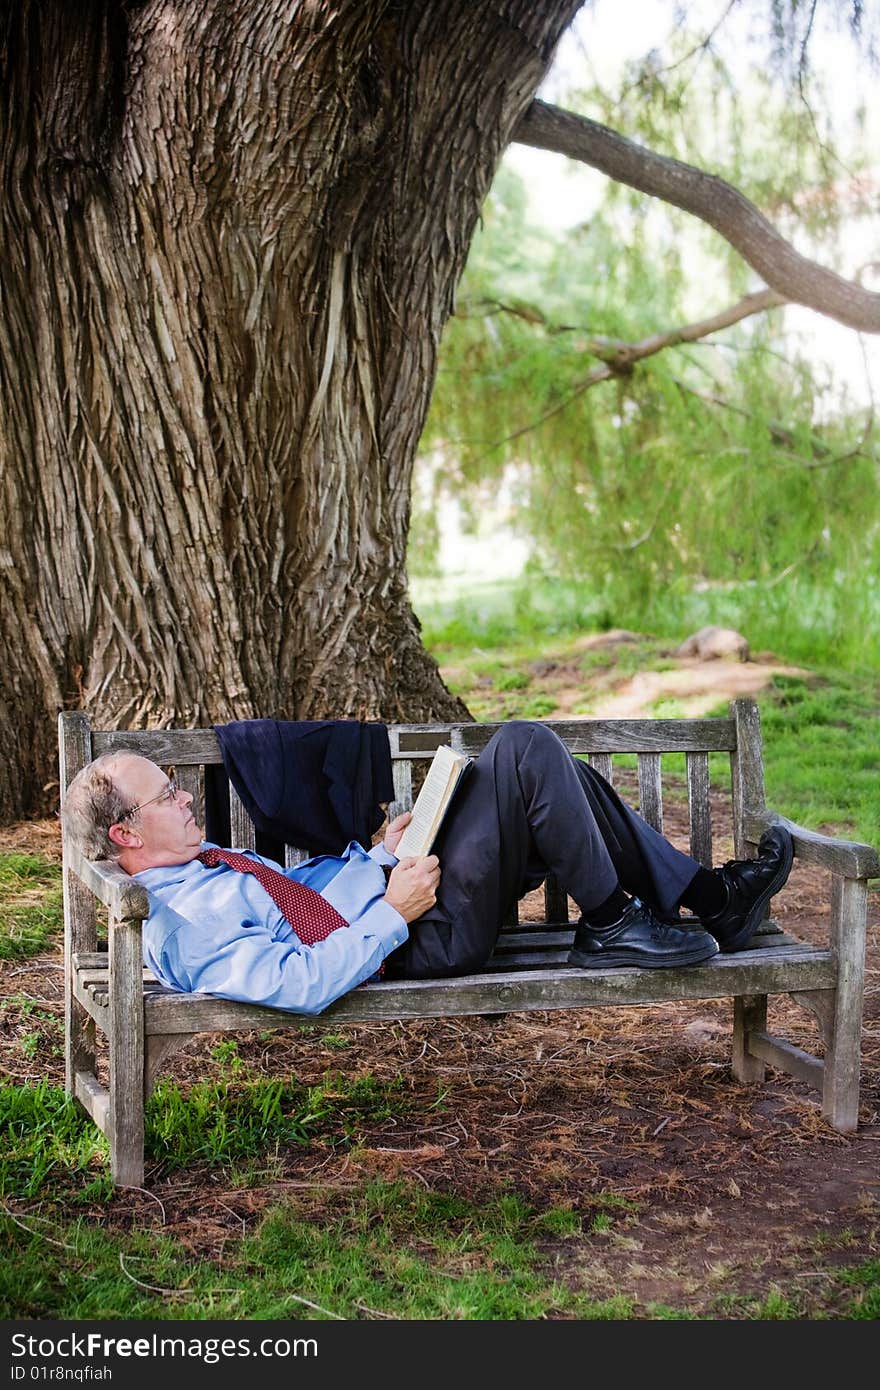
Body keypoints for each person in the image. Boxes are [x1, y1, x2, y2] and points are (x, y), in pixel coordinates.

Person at [60, 721, 794, 1015]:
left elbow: (301, 900)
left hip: (403, 902)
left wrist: (381, 856)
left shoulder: (207, 866)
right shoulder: (184, 920)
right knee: (526, 752)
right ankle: (613, 924)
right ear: (126, 833)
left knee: (543, 768)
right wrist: (392, 910)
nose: (185, 797)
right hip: (413, 943)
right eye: (167, 795)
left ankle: (710, 899)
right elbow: (298, 980)